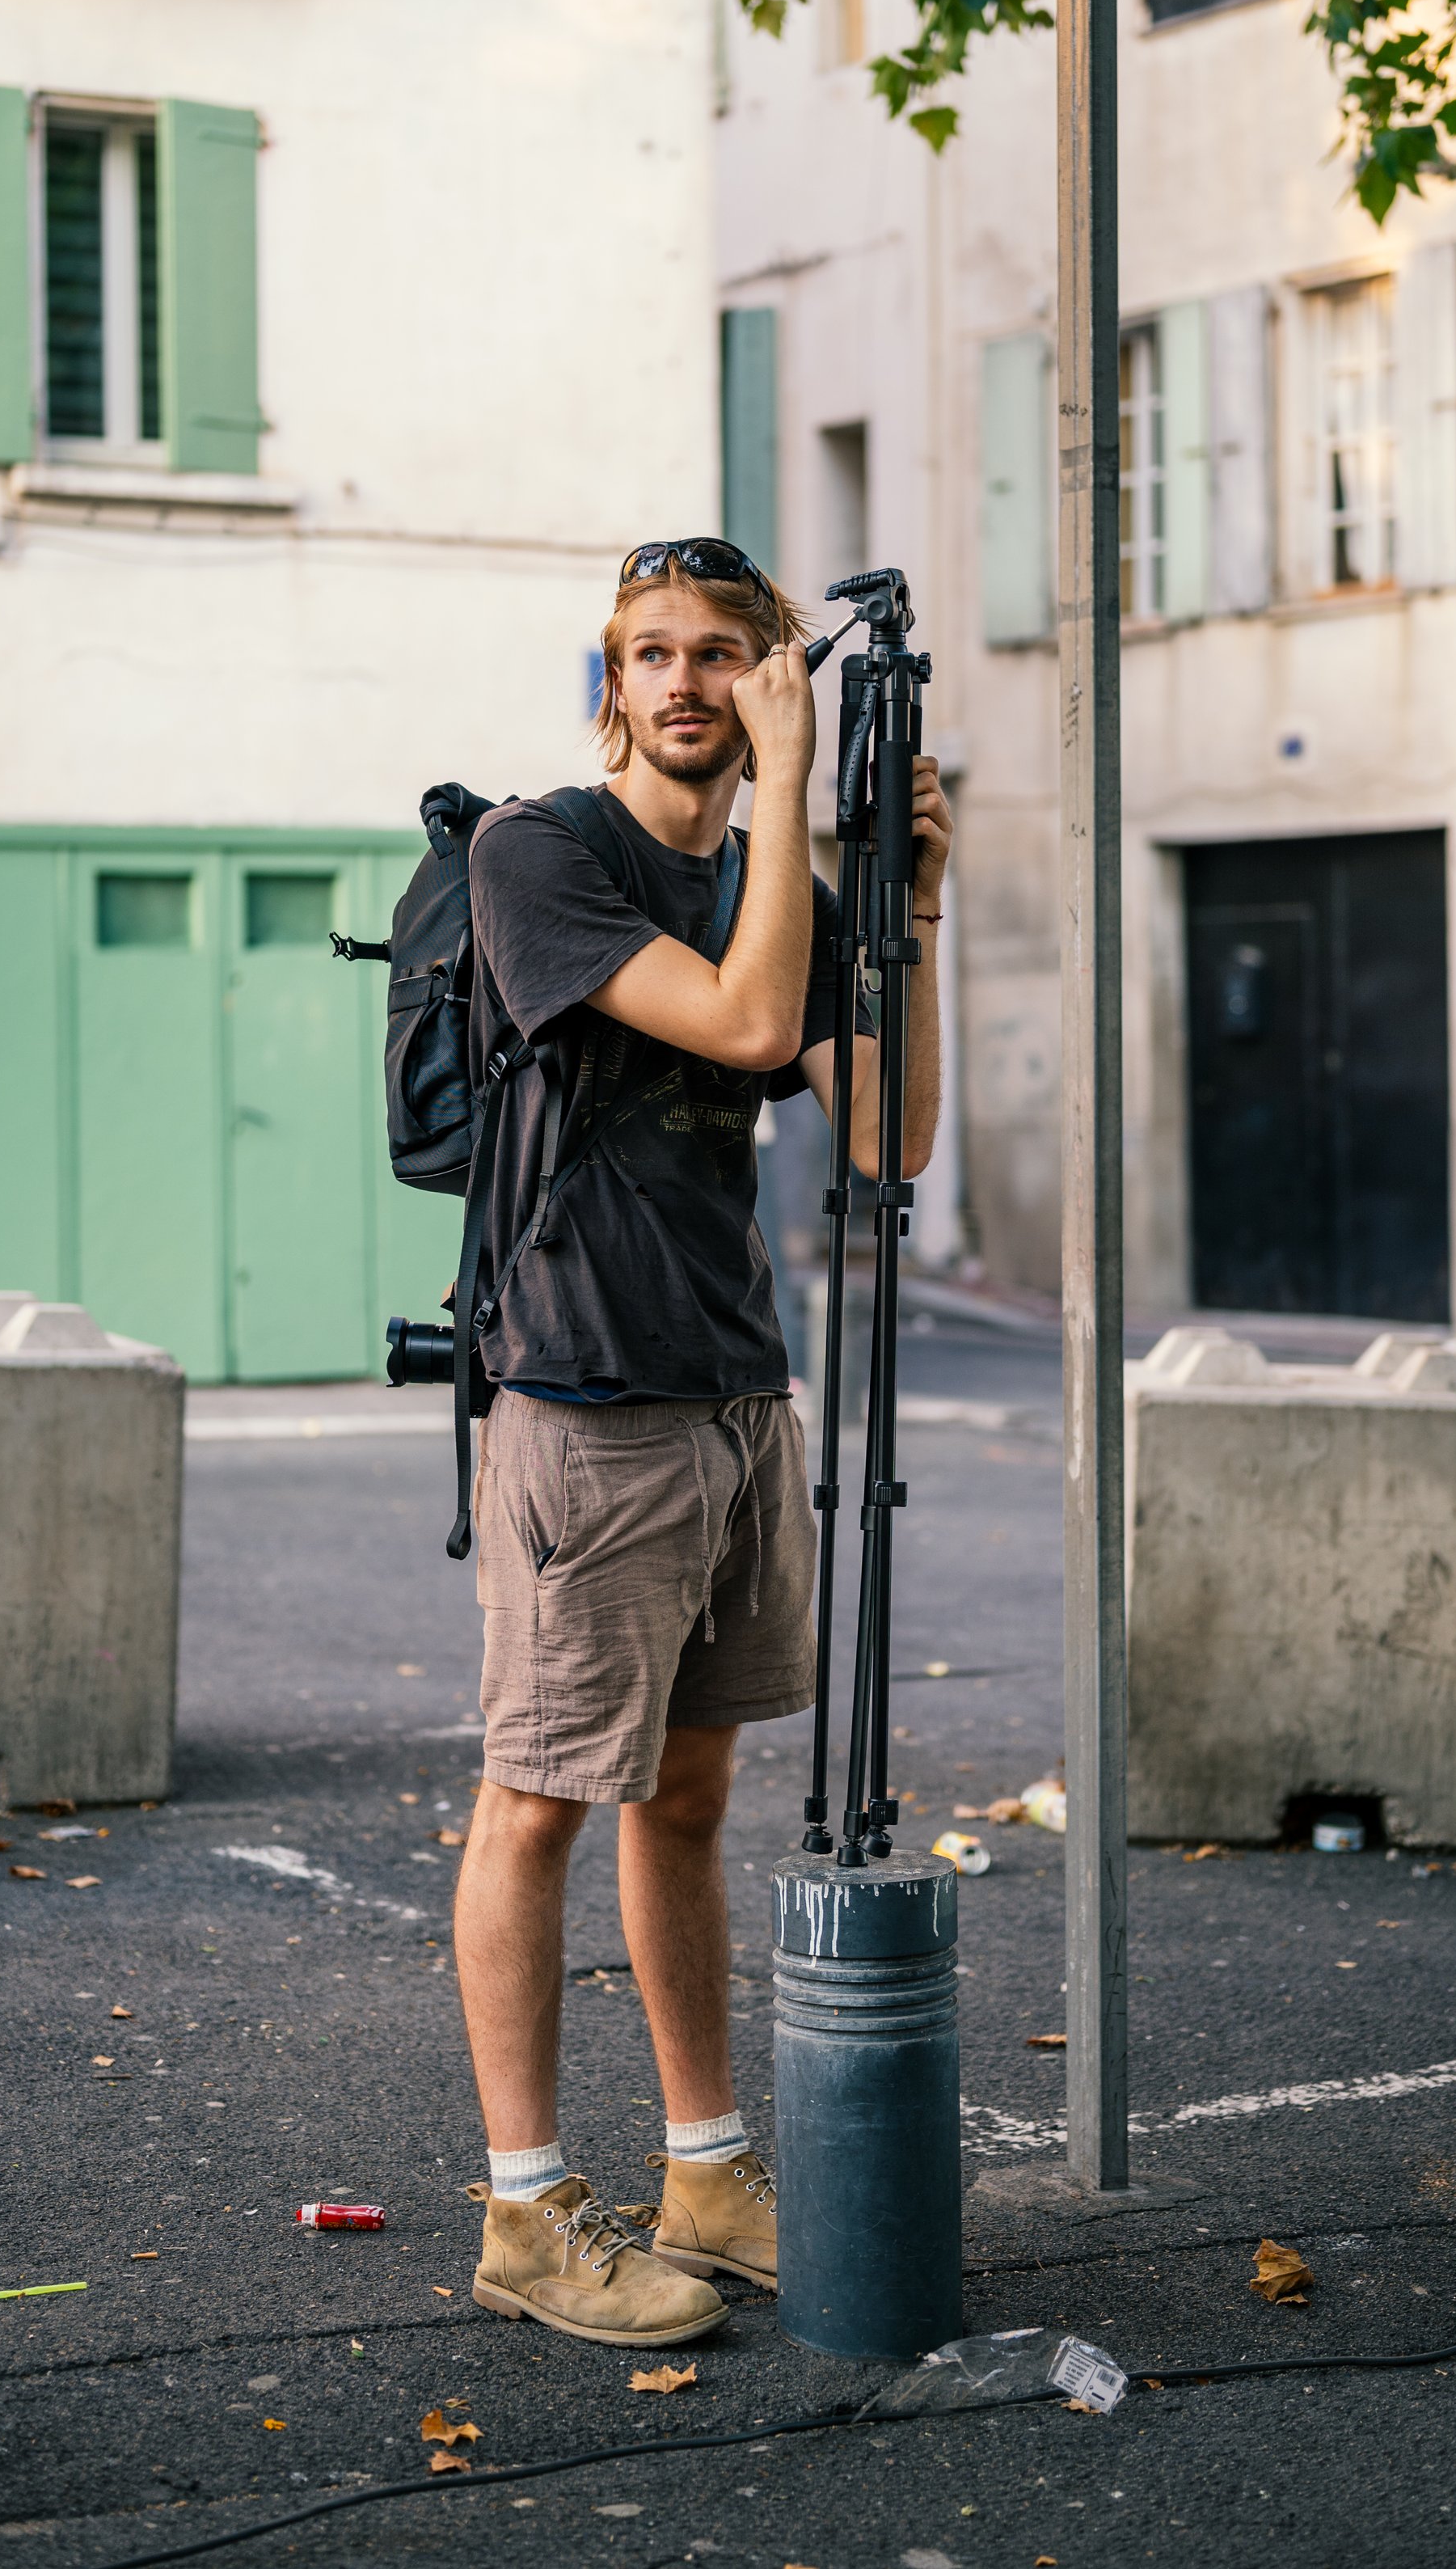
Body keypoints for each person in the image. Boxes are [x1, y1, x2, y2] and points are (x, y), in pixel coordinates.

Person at [453, 536, 952, 2346]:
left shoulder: (765, 883)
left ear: (763, 673)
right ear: (615, 683)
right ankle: (525, 2213)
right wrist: (802, 787)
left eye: (720, 652)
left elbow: (886, 1135)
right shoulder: (541, 856)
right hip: (584, 1399)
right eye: (651, 652)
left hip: (740, 1394)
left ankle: (706, 2172)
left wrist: (904, 912)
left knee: (687, 1798)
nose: (683, 680)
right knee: (534, 1800)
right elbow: (743, 1022)